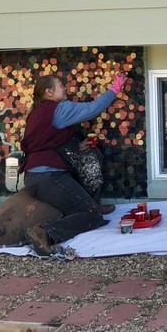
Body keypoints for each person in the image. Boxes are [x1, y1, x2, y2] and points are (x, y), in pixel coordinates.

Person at [20, 72, 127, 256]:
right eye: (60, 85)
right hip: (48, 176)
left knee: (89, 157)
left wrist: (76, 146)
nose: (64, 88)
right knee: (93, 215)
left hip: (34, 177)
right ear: (49, 92)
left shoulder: (36, 112)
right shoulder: (58, 108)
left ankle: (90, 204)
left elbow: (46, 142)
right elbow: (93, 108)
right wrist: (114, 89)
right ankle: (43, 232)